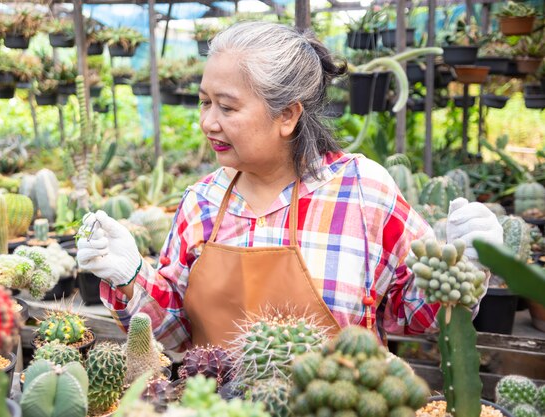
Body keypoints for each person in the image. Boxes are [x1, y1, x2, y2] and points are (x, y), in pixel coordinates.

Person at [76, 21, 503, 353]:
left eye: (227, 106)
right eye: (205, 102)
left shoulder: (362, 192)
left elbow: (417, 319)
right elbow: (176, 337)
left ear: (287, 115)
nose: (207, 122)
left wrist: (464, 264)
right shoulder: (200, 203)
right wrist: (131, 277)